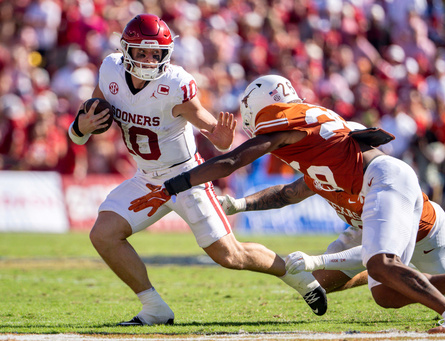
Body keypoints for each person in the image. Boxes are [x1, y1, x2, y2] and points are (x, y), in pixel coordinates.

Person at [130, 74, 445, 333]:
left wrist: (177, 182)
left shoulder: (282, 117)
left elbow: (234, 159)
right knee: (382, 291)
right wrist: (237, 205)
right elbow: (289, 193)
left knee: (381, 264)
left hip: (383, 185)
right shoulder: (313, 138)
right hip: (372, 198)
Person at [68, 15, 327, 326]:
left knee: (230, 256)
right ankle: (154, 309)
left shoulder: (174, 84)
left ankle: (295, 274)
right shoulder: (110, 70)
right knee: (103, 234)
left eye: (156, 53)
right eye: (142, 52)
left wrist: (222, 138)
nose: (150, 60)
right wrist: (78, 127)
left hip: (186, 178)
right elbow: (86, 123)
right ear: (126, 50)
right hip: (146, 178)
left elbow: (212, 130)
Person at [216, 173, 445, 314]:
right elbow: (288, 192)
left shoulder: (378, 181)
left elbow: (377, 252)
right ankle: (405, 273)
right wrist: (238, 204)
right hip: (370, 229)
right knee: (322, 281)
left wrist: (317, 259)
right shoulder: (326, 169)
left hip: (423, 235)